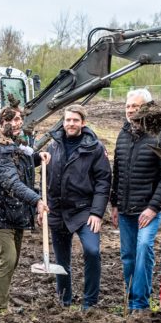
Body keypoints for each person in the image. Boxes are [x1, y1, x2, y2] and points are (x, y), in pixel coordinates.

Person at [108, 89, 161, 313]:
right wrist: (114, 203)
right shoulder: (123, 133)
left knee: (144, 248)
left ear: (147, 107)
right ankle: (130, 299)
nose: (131, 111)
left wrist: (154, 208)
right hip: (126, 208)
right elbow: (117, 170)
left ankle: (141, 304)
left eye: (135, 107)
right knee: (128, 256)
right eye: (128, 107)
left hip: (148, 209)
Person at [45, 104, 112, 310]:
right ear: (63, 122)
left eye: (75, 120)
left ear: (83, 123)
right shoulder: (53, 145)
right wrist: (44, 206)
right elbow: (47, 179)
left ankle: (89, 302)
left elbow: (103, 180)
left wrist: (97, 212)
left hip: (84, 210)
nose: (70, 124)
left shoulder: (94, 147)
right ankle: (64, 301)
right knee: (61, 261)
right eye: (67, 120)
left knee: (92, 251)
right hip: (58, 210)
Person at [0, 107, 47, 313]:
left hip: (16, 212)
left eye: (20, 119)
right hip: (0, 212)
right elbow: (11, 182)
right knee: (8, 259)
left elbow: (23, 164)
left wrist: (38, 158)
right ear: (2, 124)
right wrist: (36, 200)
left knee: (13, 260)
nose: (18, 123)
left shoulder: (17, 145)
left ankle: (2, 304)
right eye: (13, 119)